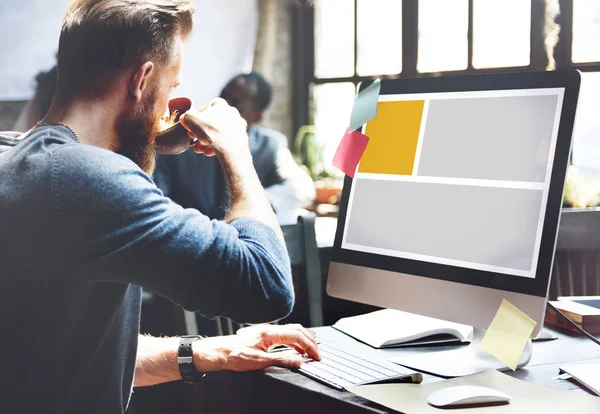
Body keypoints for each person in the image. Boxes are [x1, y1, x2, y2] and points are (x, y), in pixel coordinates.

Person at [0, 1, 319, 413]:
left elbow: (66, 356)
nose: (169, 104)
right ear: (142, 79)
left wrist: (215, 351)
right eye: (171, 87)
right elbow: (268, 286)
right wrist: (236, 151)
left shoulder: (17, 157)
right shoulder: (85, 178)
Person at [154, 72, 316, 222]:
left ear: (257, 116)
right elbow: (157, 195)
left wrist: (253, 205)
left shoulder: (270, 145)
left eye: (236, 103)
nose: (224, 105)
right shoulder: (182, 140)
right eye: (224, 95)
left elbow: (302, 188)